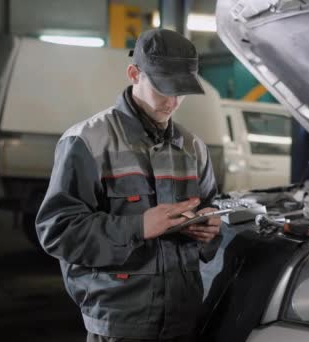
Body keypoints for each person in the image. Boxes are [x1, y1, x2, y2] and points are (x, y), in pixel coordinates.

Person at [35, 28, 222, 342]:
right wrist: (139, 227)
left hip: (182, 316)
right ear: (135, 74)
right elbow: (58, 230)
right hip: (120, 321)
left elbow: (212, 210)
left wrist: (210, 228)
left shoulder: (193, 147)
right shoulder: (87, 141)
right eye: (164, 89)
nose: (173, 102)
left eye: (182, 91)